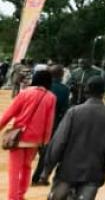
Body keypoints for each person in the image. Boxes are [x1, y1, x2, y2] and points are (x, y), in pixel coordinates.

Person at [40, 76, 105, 200]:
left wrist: (46, 170)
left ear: (86, 90)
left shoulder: (74, 112)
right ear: (103, 93)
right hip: (93, 172)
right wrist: (104, 171)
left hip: (68, 172)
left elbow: (59, 142)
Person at [0, 67, 56, 200]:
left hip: (18, 137)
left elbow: (9, 113)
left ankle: (13, 197)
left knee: (15, 169)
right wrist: (45, 140)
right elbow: (49, 121)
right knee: (27, 167)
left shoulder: (24, 93)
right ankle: (21, 194)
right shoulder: (51, 97)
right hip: (35, 140)